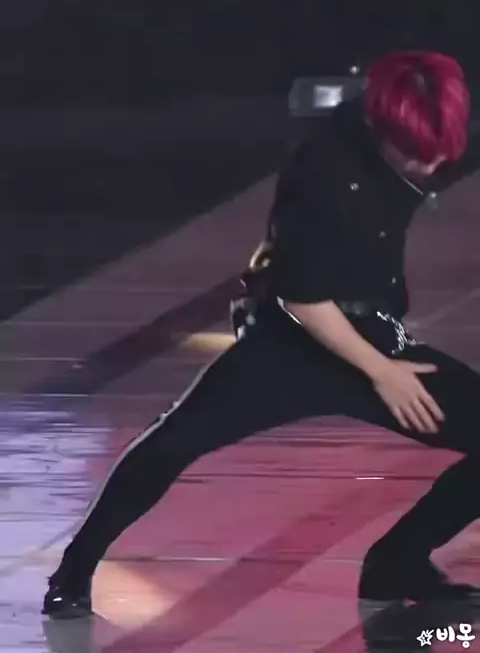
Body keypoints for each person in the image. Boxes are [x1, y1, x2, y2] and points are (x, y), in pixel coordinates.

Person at [43, 50, 480, 619]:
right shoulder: (323, 165)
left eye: (441, 152)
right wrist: (382, 373)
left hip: (375, 331)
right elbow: (303, 298)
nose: (431, 165)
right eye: (417, 153)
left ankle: (396, 562)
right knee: (173, 442)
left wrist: (385, 358)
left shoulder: (417, 129)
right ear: (383, 127)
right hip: (293, 340)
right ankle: (74, 570)